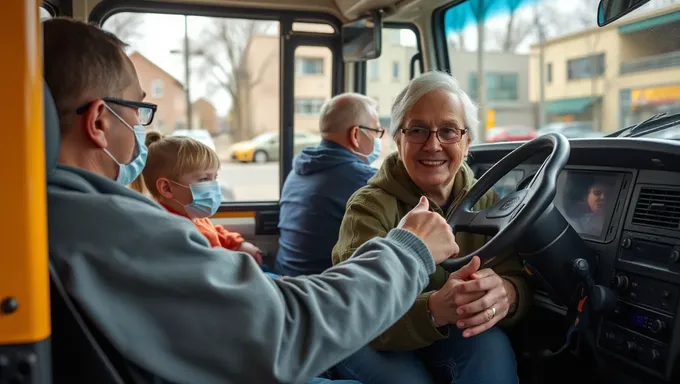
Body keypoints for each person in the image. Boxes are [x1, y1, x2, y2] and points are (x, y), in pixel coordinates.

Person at [43, 17, 467, 383]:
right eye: (136, 109)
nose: (141, 124)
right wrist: (409, 251)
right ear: (100, 121)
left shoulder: (69, 213)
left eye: (450, 131)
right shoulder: (110, 227)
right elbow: (281, 332)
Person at [329, 71, 532, 384]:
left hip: (448, 333)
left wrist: (507, 293)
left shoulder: (487, 198)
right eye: (418, 130)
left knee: (492, 347)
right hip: (371, 336)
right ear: (398, 139)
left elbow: (515, 275)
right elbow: (356, 309)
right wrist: (434, 309)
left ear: (466, 142)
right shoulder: (367, 207)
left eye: (448, 131)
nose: (433, 144)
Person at [276, 93, 382, 276]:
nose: (378, 140)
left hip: (284, 282)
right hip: (321, 293)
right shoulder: (365, 179)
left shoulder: (298, 170)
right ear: (356, 134)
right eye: (376, 132)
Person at [129, 131, 263, 265]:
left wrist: (237, 244)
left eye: (214, 178)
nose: (214, 186)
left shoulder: (193, 215)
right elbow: (208, 265)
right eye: (204, 179)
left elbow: (215, 232)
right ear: (167, 188)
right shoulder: (173, 231)